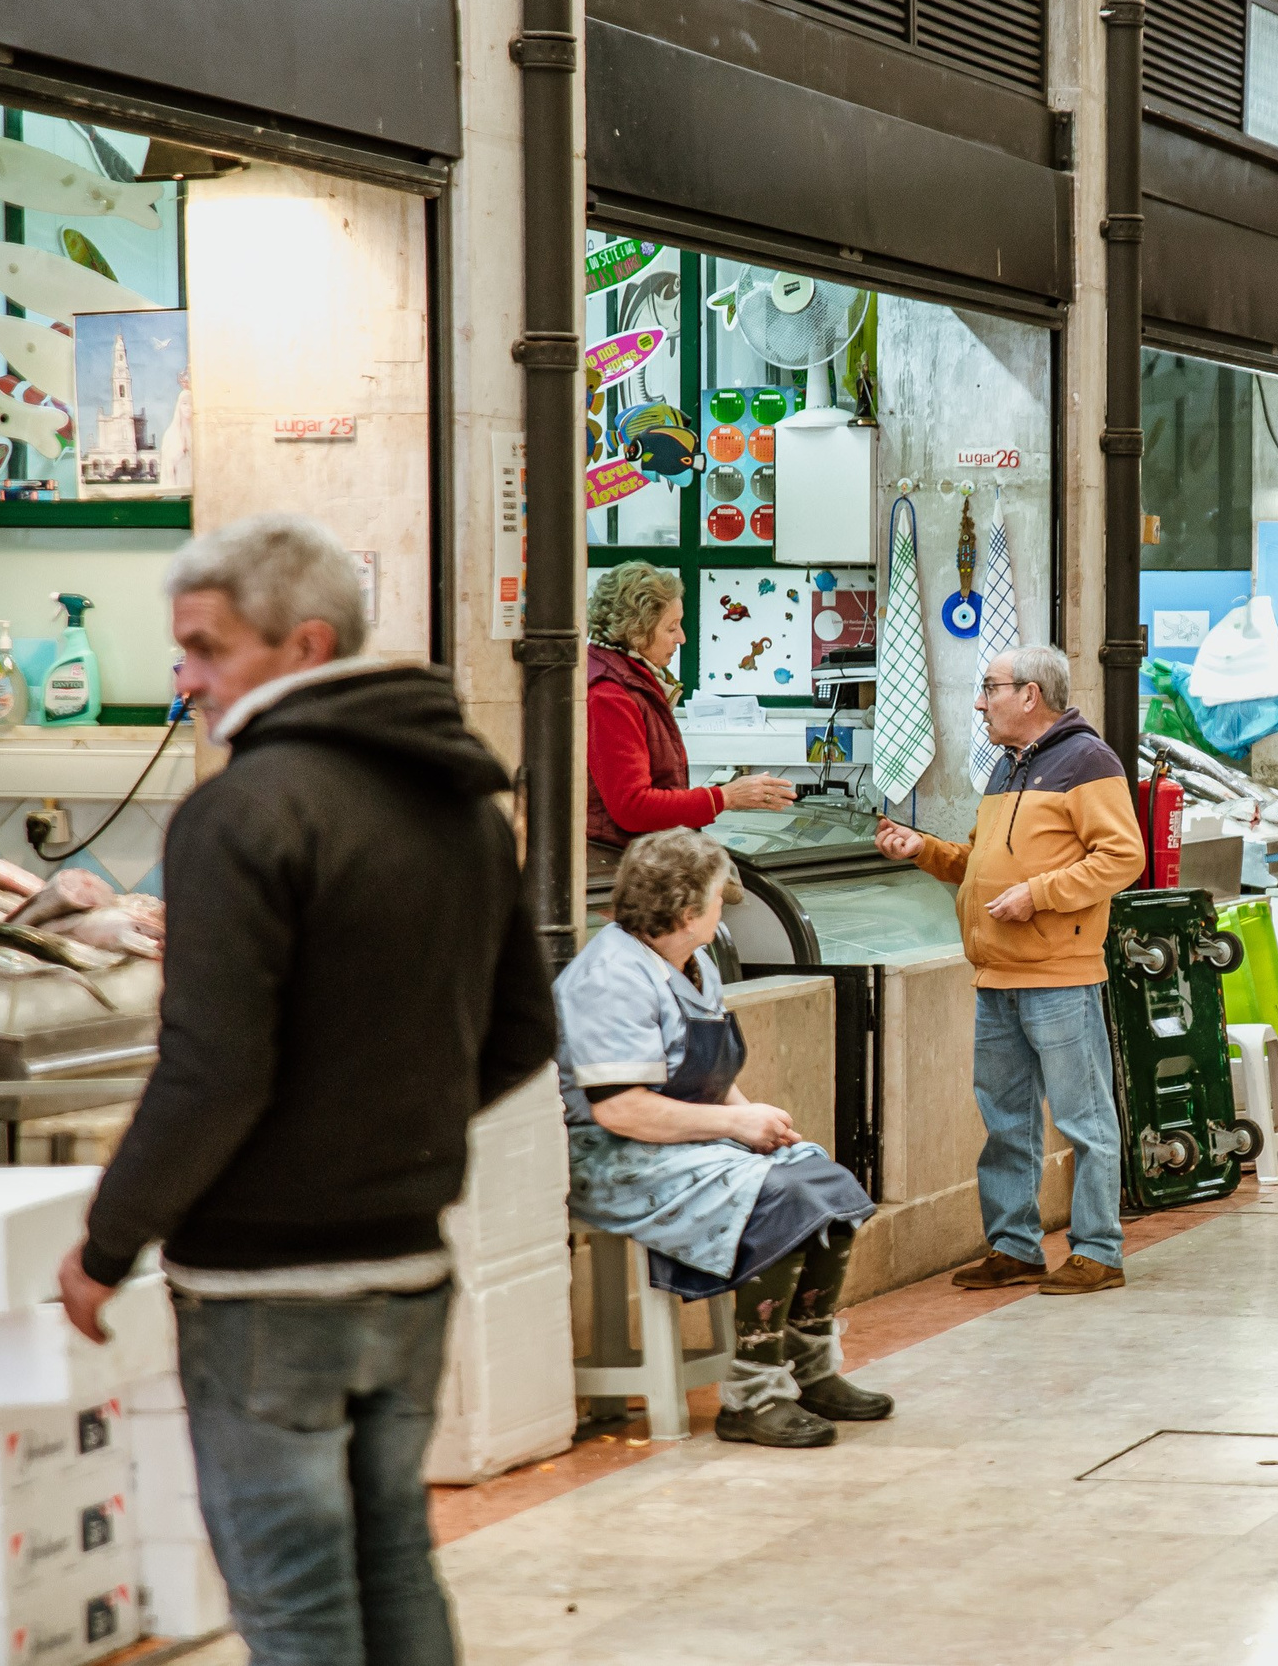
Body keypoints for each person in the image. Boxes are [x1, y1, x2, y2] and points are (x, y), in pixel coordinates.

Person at [55, 513, 558, 1666]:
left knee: (292, 1605)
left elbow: (212, 1067)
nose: (183, 678)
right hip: (412, 1264)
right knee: (394, 1565)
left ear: (304, 643)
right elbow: (523, 1030)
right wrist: (393, 1129)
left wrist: (108, 1240)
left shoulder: (241, 810)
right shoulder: (466, 809)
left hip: (265, 1290)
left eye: (206, 648)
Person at [555, 829, 889, 1448]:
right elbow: (622, 1109)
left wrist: (757, 1121)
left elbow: (708, 1075)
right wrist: (737, 1125)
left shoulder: (694, 961)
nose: (722, 908)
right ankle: (753, 1394)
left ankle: (811, 1368)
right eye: (715, 898)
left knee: (820, 1178)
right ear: (686, 912)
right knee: (779, 1197)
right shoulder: (611, 977)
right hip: (612, 1157)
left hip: (682, 1139)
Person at [872, 643, 1144, 1295]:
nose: (979, 701)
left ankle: (1099, 1251)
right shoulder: (1006, 766)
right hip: (998, 977)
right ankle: (1015, 1246)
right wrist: (926, 850)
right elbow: (984, 862)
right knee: (1006, 1120)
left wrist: (1040, 895)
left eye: (990, 687)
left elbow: (1123, 855)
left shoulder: (1087, 760)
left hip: (1059, 976)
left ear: (1030, 694)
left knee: (1085, 1119)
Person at [587, 561, 795, 874]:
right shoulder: (609, 694)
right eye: (671, 628)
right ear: (636, 629)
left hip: (638, 860)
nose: (682, 638)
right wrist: (724, 798)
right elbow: (632, 807)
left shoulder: (628, 677)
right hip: (621, 870)